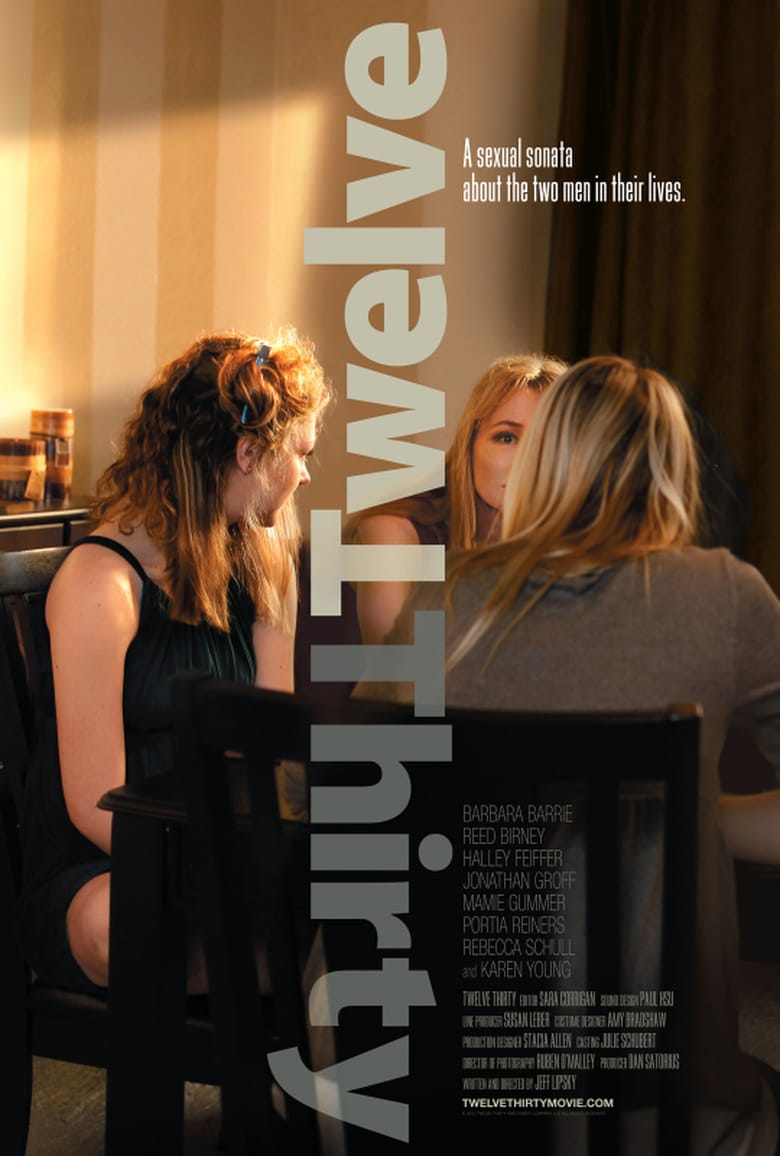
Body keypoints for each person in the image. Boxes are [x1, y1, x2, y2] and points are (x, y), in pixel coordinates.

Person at [360, 355, 780, 1156]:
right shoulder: (725, 595)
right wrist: (695, 816)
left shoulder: (447, 594)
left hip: (421, 1094)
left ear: (545, 460)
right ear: (672, 469)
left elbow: (338, 793)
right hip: (648, 1115)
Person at [19, 328, 330, 993]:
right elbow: (95, 805)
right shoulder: (101, 584)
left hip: (228, 846)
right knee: (139, 926)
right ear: (248, 453)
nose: (306, 474)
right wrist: (215, 877)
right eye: (301, 454)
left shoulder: (267, 562)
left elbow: (270, 752)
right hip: (107, 861)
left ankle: (290, 1020)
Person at [347, 352, 567, 643]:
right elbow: (396, 665)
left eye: (545, 442)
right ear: (470, 444)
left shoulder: (576, 545)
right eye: (506, 438)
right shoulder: (396, 532)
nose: (526, 459)